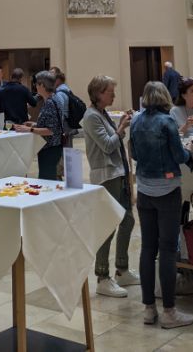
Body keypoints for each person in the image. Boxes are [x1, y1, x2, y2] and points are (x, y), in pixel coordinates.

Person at [130, 81, 193, 330]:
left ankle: (148, 308)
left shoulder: (136, 121)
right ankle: (169, 311)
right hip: (167, 189)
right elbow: (179, 156)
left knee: (148, 247)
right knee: (167, 249)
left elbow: (134, 153)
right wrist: (189, 150)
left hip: (144, 189)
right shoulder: (167, 122)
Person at [82, 75, 138, 298]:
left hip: (118, 172)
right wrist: (122, 127)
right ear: (97, 94)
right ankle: (102, 276)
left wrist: (120, 126)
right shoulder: (91, 117)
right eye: (109, 91)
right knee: (109, 224)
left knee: (128, 219)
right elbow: (107, 145)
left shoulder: (102, 113)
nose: (114, 94)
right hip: (106, 175)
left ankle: (122, 269)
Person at [13, 70, 62, 178]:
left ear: (42, 85)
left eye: (37, 83)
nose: (35, 86)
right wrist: (33, 124)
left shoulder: (50, 103)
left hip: (50, 149)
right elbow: (51, 124)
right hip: (51, 147)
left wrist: (29, 130)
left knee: (46, 180)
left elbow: (50, 130)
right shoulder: (52, 99)